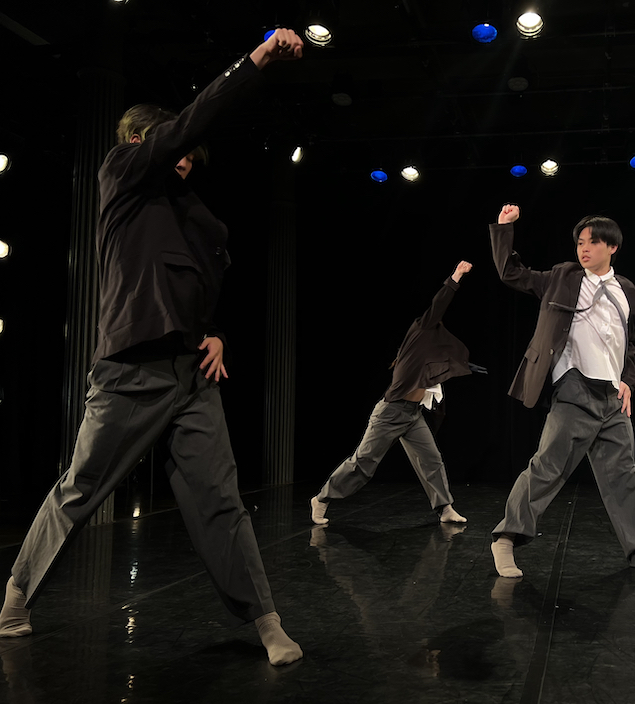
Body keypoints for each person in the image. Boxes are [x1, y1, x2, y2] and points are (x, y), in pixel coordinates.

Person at [0, 29, 306, 666]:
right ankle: (16, 593)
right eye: (172, 145)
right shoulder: (123, 176)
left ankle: (266, 620)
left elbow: (203, 284)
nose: (185, 155)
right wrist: (253, 62)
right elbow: (185, 124)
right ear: (140, 142)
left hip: (191, 374)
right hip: (130, 371)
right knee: (81, 489)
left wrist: (217, 331)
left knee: (222, 501)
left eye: (191, 151)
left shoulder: (197, 215)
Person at [488, 204, 635, 578]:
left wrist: (628, 381)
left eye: (592, 242)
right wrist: (504, 228)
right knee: (548, 467)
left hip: (611, 396)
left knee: (624, 475)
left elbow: (629, 344)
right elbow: (511, 273)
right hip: (573, 385)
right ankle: (506, 538)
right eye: (580, 242)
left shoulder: (629, 292)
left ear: (613, 247)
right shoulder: (562, 276)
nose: (583, 248)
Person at [309, 262, 476, 527]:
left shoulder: (425, 358)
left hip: (412, 416)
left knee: (431, 460)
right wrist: (455, 277)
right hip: (391, 412)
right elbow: (438, 305)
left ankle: (445, 509)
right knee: (363, 463)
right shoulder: (420, 331)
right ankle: (322, 499)